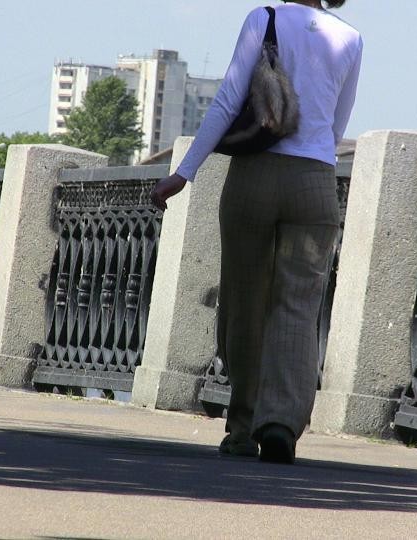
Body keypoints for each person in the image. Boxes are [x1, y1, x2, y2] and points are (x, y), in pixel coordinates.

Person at [150, 0, 363, 464]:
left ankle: (243, 426)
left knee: (244, 301)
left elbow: (229, 100)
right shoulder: (350, 37)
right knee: (298, 307)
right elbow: (336, 125)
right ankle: (282, 424)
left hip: (255, 178)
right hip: (314, 184)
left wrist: (183, 173)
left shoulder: (262, 19)